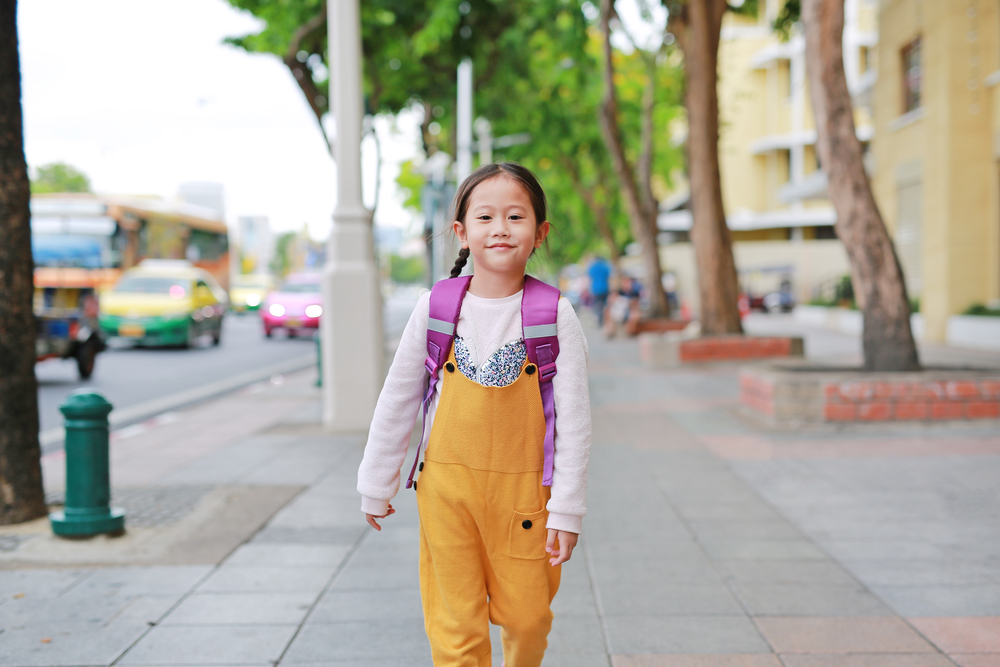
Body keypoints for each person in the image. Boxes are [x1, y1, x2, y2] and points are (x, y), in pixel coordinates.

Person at [358, 163, 592, 667]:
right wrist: (376, 482)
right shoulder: (435, 307)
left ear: (540, 233)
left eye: (515, 216)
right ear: (463, 231)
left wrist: (567, 509)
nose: (501, 228)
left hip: (526, 498)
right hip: (447, 492)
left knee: (528, 619)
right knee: (454, 627)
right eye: (485, 216)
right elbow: (398, 398)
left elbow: (574, 424)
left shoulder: (554, 314)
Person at [586, 255, 611, 327]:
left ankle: (599, 318)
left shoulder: (593, 267)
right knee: (604, 304)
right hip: (605, 288)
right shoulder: (605, 266)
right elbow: (608, 276)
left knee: (597, 304)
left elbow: (590, 278)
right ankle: (604, 319)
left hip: (595, 289)